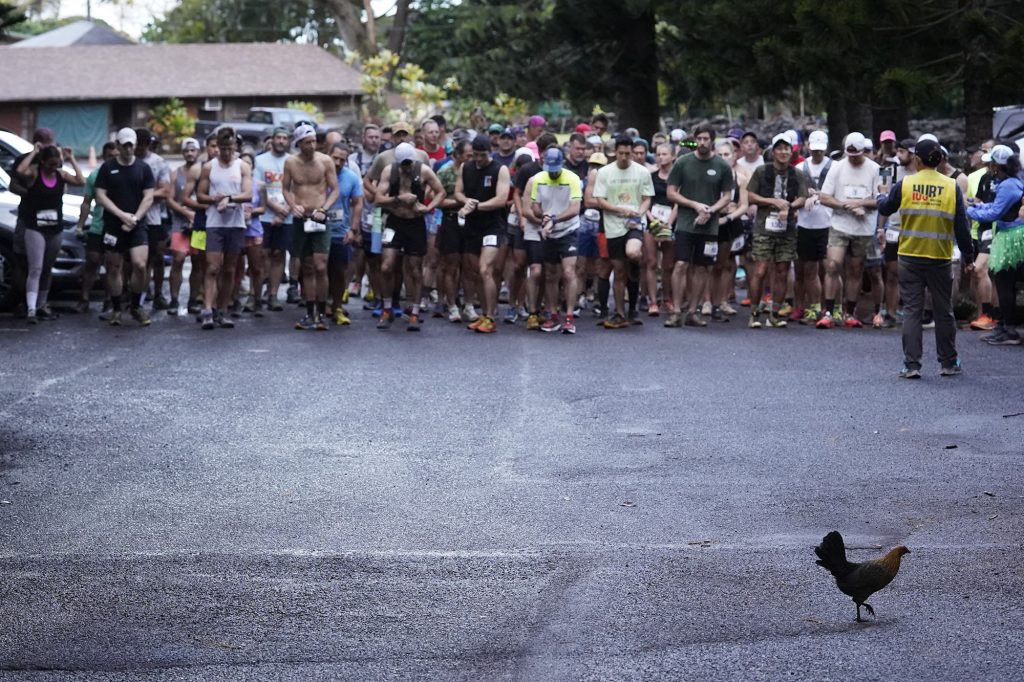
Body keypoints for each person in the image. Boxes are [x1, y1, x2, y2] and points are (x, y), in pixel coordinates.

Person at [877, 138, 974, 377]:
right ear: (940, 159)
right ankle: (949, 363)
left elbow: (886, 208)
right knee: (944, 311)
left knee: (912, 311)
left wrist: (881, 195)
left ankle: (912, 365)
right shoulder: (951, 187)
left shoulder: (906, 183)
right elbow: (962, 226)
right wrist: (968, 255)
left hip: (909, 256)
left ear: (917, 160)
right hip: (940, 257)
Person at [664, 124, 734, 328]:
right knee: (681, 264)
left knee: (702, 268)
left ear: (712, 140)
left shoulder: (722, 166)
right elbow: (671, 192)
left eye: (706, 139)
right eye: (699, 139)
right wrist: (694, 205)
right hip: (686, 223)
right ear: (694, 140)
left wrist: (710, 210)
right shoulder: (683, 162)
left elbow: (728, 196)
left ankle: (693, 311)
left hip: (709, 226)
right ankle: (676, 310)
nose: (702, 142)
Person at [374, 142, 446, 331]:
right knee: (386, 265)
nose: (406, 167)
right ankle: (387, 308)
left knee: (415, 268)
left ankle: (414, 311)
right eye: (403, 164)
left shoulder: (423, 171)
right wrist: (398, 199)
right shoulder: (390, 171)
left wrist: (429, 208)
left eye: (409, 163)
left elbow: (441, 192)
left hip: (415, 223)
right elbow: (378, 199)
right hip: (395, 221)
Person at [16, 142, 85, 323]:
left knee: (47, 269)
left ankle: (41, 305)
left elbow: (81, 181)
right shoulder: (34, 173)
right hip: (35, 227)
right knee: (35, 268)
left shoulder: (60, 175)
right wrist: (34, 152)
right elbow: (20, 171)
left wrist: (71, 159)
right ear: (43, 162)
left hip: (55, 228)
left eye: (57, 164)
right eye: (50, 164)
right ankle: (31, 308)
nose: (54, 167)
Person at [93, 127, 156, 326]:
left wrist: (135, 218)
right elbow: (100, 196)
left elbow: (149, 196)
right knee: (114, 267)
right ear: (118, 146)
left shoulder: (143, 168)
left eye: (131, 145)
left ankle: (136, 305)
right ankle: (117, 308)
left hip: (137, 224)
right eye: (125, 145)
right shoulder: (107, 168)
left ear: (135, 145)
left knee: (139, 264)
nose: (128, 149)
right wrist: (121, 215)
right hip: (113, 224)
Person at [745, 134, 809, 328]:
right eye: (779, 149)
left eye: (787, 149)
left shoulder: (796, 173)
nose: (783, 152)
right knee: (761, 269)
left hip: (787, 228)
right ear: (773, 152)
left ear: (792, 151)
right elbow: (751, 196)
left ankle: (775, 313)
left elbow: (803, 197)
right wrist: (773, 201)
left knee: (782, 270)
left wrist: (789, 206)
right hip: (764, 227)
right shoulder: (761, 171)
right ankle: (754, 313)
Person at [817, 132, 880, 329]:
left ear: (864, 152)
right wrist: (845, 206)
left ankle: (850, 312)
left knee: (856, 268)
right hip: (840, 224)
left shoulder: (876, 169)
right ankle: (828, 311)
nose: (852, 158)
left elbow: (881, 198)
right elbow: (824, 197)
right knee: (833, 265)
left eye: (857, 155)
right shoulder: (836, 167)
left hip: (863, 226)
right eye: (849, 155)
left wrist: (860, 203)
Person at [592, 135, 654, 328]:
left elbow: (646, 198)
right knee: (619, 270)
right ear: (615, 152)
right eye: (621, 153)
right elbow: (600, 200)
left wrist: (638, 213)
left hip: (634, 224)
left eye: (628, 153)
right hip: (613, 226)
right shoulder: (604, 173)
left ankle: (633, 306)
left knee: (633, 253)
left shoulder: (642, 172)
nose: (625, 157)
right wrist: (620, 209)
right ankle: (620, 312)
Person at [282, 123, 339, 330]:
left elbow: (334, 190)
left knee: (321, 265)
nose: (312, 145)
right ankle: (309, 312)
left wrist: (324, 209)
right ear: (299, 144)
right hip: (301, 218)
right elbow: (285, 188)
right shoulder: (291, 162)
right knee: (306, 266)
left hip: (319, 217)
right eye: (308, 142)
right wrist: (292, 205)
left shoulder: (325, 161)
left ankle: (322, 313)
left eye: (314, 141)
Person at [196, 126, 253, 330]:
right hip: (214, 223)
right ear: (217, 147)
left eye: (230, 148)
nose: (227, 152)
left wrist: (229, 198)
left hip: (235, 223)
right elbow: (200, 195)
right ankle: (207, 310)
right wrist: (214, 199)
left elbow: (248, 194)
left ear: (235, 146)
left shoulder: (242, 166)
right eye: (224, 148)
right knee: (212, 267)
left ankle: (222, 310)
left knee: (230, 269)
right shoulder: (209, 167)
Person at [966, 144, 1024, 345]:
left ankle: (1009, 330)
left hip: (1010, 236)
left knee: (1005, 283)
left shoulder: (1008, 185)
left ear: (997, 165)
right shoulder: (1011, 182)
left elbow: (995, 213)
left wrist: (968, 211)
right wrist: (978, 205)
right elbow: (996, 206)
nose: (988, 166)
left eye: (990, 163)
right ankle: (1003, 325)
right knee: (1004, 282)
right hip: (1009, 234)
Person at [454, 136, 512, 333]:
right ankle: (484, 313)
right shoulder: (466, 167)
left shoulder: (499, 169)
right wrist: (466, 201)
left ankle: (491, 316)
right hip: (472, 225)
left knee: (485, 268)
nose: (478, 159)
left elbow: (501, 199)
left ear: (490, 151)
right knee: (474, 271)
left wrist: (477, 206)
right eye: (476, 155)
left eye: (482, 155)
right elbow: (458, 193)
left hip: (492, 225)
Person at [530, 146, 583, 334]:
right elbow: (534, 205)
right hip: (548, 230)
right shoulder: (539, 179)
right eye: (549, 170)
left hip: (568, 229)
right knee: (550, 273)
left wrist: (555, 219)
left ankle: (569, 316)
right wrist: (543, 216)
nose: (552, 174)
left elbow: (575, 208)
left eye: (555, 170)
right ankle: (553, 315)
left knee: (568, 272)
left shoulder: (572, 179)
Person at [794, 130, 833, 324]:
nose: (817, 153)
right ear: (808, 147)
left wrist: (818, 195)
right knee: (809, 268)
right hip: (806, 223)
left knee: (830, 268)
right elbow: (794, 196)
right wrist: (804, 199)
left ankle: (831, 308)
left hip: (828, 223)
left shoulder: (834, 168)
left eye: (820, 150)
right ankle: (814, 307)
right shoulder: (801, 168)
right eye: (814, 150)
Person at [254, 127, 293, 311]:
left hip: (288, 215)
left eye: (285, 138)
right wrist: (276, 208)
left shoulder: (293, 161)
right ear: (273, 139)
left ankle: (273, 295)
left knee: (279, 255)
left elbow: (297, 190)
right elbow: (259, 188)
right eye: (278, 137)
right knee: (262, 255)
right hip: (265, 215)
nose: (281, 141)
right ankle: (257, 293)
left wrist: (285, 210)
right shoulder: (260, 160)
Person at [76, 141, 117, 314]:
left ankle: (109, 300)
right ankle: (84, 299)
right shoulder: (95, 175)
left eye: (115, 156)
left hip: (115, 228)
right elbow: (86, 203)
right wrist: (80, 225)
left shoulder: (122, 174)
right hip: (97, 226)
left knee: (112, 265)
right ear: (103, 156)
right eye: (109, 156)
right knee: (92, 262)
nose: (112, 159)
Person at [134, 128, 171, 311]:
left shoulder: (158, 162)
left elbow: (165, 190)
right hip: (132, 217)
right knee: (135, 260)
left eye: (142, 147)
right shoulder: (128, 160)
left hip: (154, 218)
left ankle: (158, 293)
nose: (139, 150)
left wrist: (145, 196)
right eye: (136, 146)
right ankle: (136, 295)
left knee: (156, 258)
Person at [326, 142, 364, 325]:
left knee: (339, 272)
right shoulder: (319, 174)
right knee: (316, 270)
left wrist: (353, 229)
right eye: (335, 158)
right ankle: (319, 306)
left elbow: (358, 203)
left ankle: (337, 306)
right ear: (328, 155)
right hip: (317, 230)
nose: (338, 162)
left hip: (340, 232)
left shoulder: (351, 178)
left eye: (343, 159)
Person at [166, 138, 201, 314]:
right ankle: (174, 299)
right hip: (180, 223)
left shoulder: (204, 172)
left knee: (198, 262)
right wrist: (186, 212)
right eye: (187, 150)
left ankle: (193, 300)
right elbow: (170, 199)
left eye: (193, 150)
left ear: (198, 152)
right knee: (178, 259)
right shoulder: (176, 173)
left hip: (199, 224)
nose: (190, 153)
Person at [645, 143, 678, 317]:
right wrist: (653, 220)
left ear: (673, 156)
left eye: (664, 154)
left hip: (670, 222)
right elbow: (645, 200)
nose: (660, 157)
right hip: (652, 221)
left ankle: (667, 298)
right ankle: (652, 301)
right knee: (651, 262)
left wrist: (668, 224)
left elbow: (678, 202)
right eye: (658, 154)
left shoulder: (678, 177)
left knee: (668, 264)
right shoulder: (650, 177)